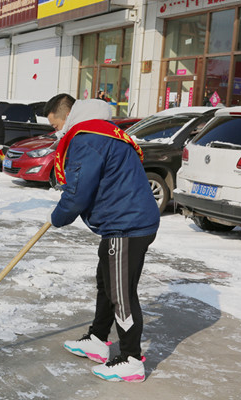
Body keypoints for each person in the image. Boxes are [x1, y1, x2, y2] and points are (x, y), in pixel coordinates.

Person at [44, 94, 160, 382]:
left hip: (126, 225)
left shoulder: (87, 139)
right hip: (122, 221)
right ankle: (97, 339)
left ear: (68, 115)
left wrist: (57, 217)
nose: (56, 130)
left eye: (55, 123)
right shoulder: (106, 133)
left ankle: (131, 359)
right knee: (107, 283)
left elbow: (78, 193)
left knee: (121, 294)